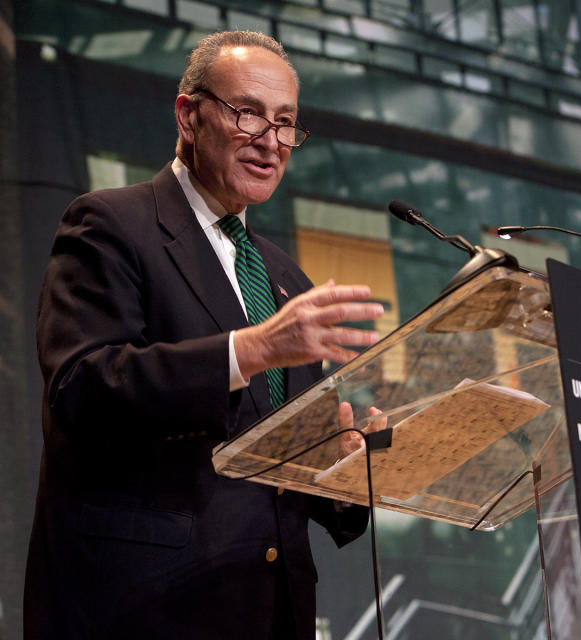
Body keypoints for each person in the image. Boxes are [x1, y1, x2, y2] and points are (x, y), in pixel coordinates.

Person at [24, 30, 384, 639]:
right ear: (188, 116)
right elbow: (82, 387)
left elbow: (280, 471)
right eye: (248, 113)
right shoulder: (111, 224)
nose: (271, 142)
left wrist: (344, 475)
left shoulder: (286, 278)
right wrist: (250, 350)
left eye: (286, 122)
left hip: (270, 614)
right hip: (142, 608)